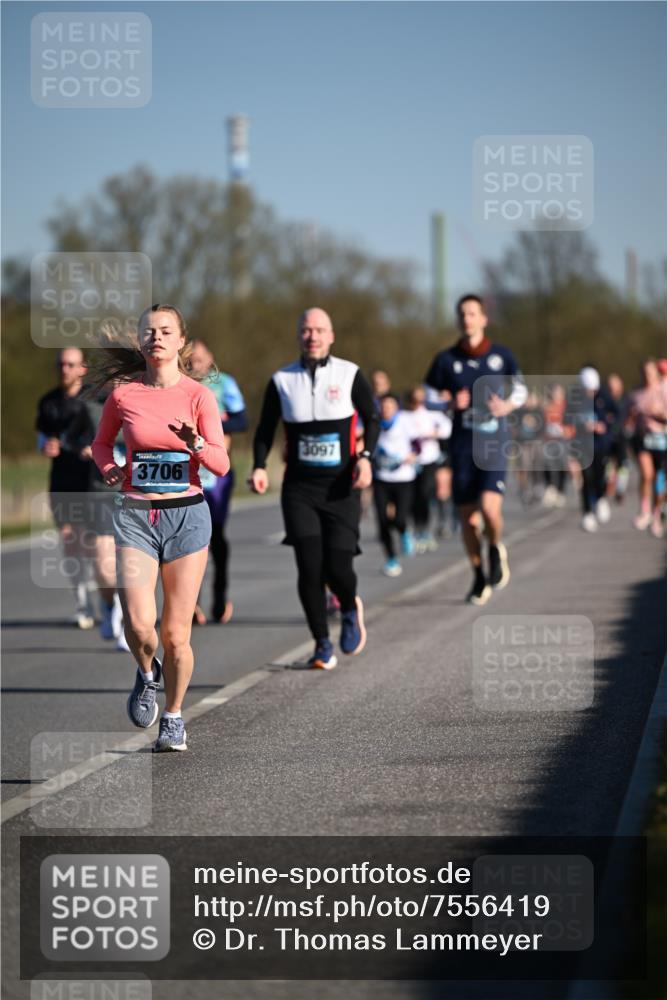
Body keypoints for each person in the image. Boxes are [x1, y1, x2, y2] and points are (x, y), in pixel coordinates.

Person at [91, 304, 230, 752]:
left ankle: (173, 716)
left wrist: (198, 444)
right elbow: (100, 443)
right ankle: (146, 673)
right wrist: (110, 466)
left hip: (187, 514)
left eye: (165, 331)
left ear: (180, 341)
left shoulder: (199, 396)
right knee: (139, 623)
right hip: (135, 515)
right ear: (140, 341)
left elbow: (222, 465)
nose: (156, 338)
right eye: (149, 332)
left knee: (175, 634)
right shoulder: (124, 396)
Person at [248, 307, 378, 669]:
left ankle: (350, 606)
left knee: (338, 567)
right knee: (309, 568)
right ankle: (322, 644)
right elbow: (264, 429)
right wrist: (259, 466)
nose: (313, 336)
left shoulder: (349, 373)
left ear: (331, 335)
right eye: (307, 330)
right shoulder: (282, 380)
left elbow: (373, 416)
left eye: (320, 330)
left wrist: (366, 456)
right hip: (300, 489)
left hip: (341, 487)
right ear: (298, 335)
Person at [424, 294, 527, 605]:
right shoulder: (446, 360)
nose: (467, 319)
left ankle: (495, 547)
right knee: (468, 520)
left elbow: (521, 389)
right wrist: (448, 403)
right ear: (459, 321)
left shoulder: (501, 356)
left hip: (494, 443)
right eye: (462, 314)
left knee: (490, 508)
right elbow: (427, 395)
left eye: (473, 313)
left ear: (484, 319)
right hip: (462, 446)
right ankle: (479, 575)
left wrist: (506, 404)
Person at [62, 384, 128, 649]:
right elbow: (70, 437)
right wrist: (84, 447)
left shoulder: (148, 399)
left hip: (138, 494)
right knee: (103, 565)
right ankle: (109, 603)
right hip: (102, 492)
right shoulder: (90, 406)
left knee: (132, 566)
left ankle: (127, 625)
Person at [188, 340, 248, 624]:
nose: (196, 364)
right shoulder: (180, 383)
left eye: (200, 359)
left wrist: (214, 422)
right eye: (191, 359)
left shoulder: (225, 383)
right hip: (188, 471)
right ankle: (192, 604)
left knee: (216, 535)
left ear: (210, 359)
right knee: (189, 539)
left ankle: (220, 597)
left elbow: (242, 420)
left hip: (217, 473)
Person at [36, 347, 95, 628]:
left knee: (96, 544)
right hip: (62, 479)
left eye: (71, 365)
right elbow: (41, 438)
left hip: (94, 481)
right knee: (71, 542)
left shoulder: (96, 399)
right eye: (61, 364)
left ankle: (110, 600)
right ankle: (83, 605)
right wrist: (45, 447)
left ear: (83, 368)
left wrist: (96, 450)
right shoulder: (48, 402)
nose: (65, 370)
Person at [373, 393, 418, 576]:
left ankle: (404, 531)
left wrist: (412, 455)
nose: (386, 410)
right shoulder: (374, 424)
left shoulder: (404, 422)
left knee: (399, 518)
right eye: (383, 406)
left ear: (396, 408)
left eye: (390, 406)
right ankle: (391, 559)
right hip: (381, 479)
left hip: (403, 478)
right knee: (382, 521)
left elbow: (417, 443)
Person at [404, 385, 452, 552]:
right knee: (411, 497)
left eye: (420, 400)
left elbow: (447, 429)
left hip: (428, 460)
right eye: (414, 400)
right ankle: (414, 529)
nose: (417, 403)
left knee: (425, 494)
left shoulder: (432, 414)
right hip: (410, 462)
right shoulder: (404, 416)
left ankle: (424, 529)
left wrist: (432, 433)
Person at [568, 366, 615, 532]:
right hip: (583, 446)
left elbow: (616, 415)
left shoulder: (604, 397)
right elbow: (568, 419)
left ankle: (601, 499)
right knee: (586, 480)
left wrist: (604, 426)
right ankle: (587, 513)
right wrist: (582, 424)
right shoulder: (575, 399)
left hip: (601, 445)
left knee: (600, 476)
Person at [628, 359, 667, 537]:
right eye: (645, 372)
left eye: (650, 372)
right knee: (646, 474)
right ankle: (644, 510)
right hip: (643, 439)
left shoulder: (664, 390)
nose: (647, 376)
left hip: (662, 440)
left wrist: (658, 413)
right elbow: (629, 419)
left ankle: (657, 514)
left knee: (659, 482)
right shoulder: (637, 393)